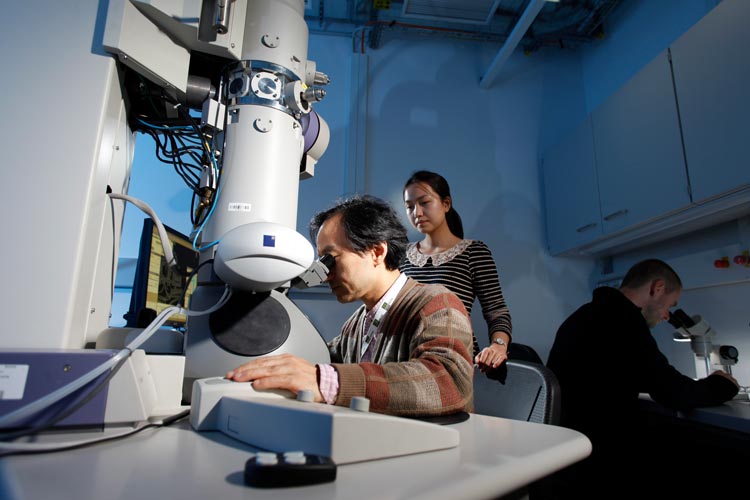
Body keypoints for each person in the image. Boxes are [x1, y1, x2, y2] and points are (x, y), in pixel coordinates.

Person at [226, 195, 474, 417]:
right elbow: (313, 362)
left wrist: (327, 381)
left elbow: (449, 382)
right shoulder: (356, 324)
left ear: (377, 251)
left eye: (330, 259)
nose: (325, 275)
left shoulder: (436, 303)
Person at [545, 259, 739, 498]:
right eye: (670, 304)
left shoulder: (582, 315)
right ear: (657, 288)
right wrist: (723, 385)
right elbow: (674, 393)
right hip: (602, 458)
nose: (668, 315)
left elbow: (617, 375)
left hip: (570, 450)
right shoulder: (625, 322)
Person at [400, 170, 512, 372]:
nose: (416, 213)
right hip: (406, 361)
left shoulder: (473, 252)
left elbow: (496, 310)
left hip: (455, 362)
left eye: (424, 203)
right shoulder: (402, 255)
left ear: (446, 204)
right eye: (410, 206)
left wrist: (499, 346)